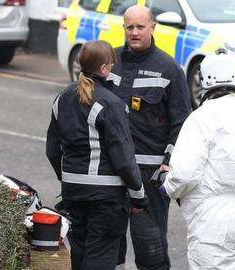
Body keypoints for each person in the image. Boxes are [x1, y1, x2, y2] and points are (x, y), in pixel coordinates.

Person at [160, 48, 235, 270]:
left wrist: (168, 186)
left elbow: (185, 173)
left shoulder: (201, 118)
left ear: (203, 78)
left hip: (216, 215)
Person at [45, 40, 143, 270]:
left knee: (79, 253)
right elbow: (123, 157)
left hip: (73, 192)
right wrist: (139, 195)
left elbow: (52, 150)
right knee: (100, 256)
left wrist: (66, 178)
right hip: (106, 197)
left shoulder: (62, 98)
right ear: (104, 68)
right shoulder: (111, 103)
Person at [107, 5, 191, 270]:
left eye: (140, 27)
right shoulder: (110, 62)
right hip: (110, 170)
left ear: (152, 27)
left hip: (149, 174)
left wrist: (169, 160)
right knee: (108, 242)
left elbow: (182, 121)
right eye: (129, 27)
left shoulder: (169, 68)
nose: (134, 32)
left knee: (150, 245)